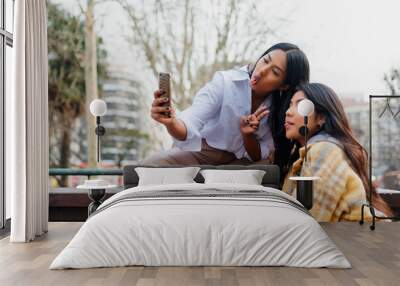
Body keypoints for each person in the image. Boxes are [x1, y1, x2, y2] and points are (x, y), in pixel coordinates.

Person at [141, 43, 310, 167]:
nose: (262, 70)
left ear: (284, 85)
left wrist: (247, 135)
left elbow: (258, 155)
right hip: (201, 153)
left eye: (275, 72)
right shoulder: (226, 82)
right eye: (265, 60)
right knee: (149, 166)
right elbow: (192, 119)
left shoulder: (281, 109)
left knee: (266, 168)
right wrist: (171, 122)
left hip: (239, 163)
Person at [282, 83, 393, 221]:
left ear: (321, 117)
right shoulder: (307, 155)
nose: (288, 111)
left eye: (300, 106)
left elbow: (310, 221)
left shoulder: (324, 151)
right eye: (290, 104)